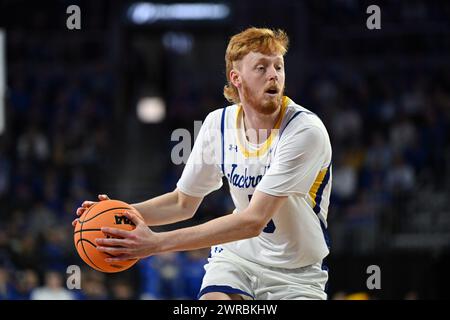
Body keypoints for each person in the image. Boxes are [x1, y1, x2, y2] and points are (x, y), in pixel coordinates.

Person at [73, 27, 332, 300]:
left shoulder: (304, 130)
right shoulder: (217, 124)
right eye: (261, 67)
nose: (273, 75)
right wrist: (114, 213)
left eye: (278, 66)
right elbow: (183, 203)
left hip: (296, 272)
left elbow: (254, 220)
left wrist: (156, 243)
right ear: (236, 78)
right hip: (238, 258)